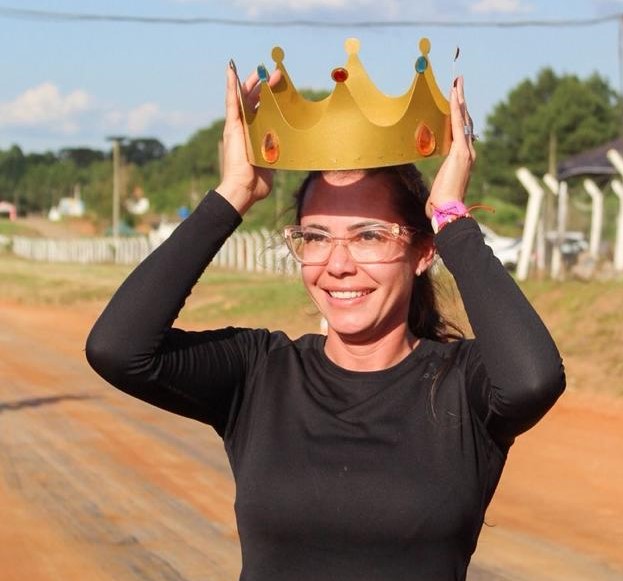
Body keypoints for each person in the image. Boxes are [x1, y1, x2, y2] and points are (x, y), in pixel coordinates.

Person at [85, 57, 566, 581]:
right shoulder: (262, 373)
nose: (337, 265)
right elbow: (119, 349)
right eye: (315, 238)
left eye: (369, 236)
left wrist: (450, 214)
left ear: (424, 252)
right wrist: (233, 194)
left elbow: (534, 379)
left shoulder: (460, 384)